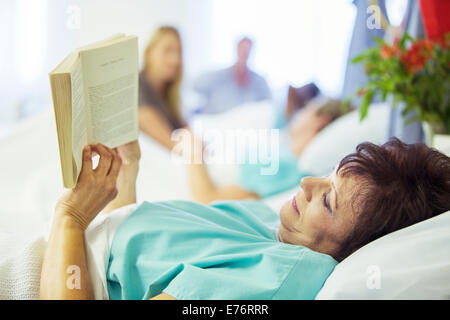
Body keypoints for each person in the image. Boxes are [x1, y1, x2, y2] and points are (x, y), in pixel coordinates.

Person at [40, 137, 450, 300]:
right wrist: (124, 182)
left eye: (328, 202)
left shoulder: (279, 276)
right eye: (327, 177)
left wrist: (71, 215)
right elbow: (131, 265)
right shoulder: (274, 226)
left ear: (355, 250)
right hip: (66, 254)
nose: (306, 183)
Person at [189, 97, 352, 203]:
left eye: (306, 109)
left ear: (319, 121)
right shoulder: (282, 149)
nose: (298, 114)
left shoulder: (282, 166)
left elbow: (207, 199)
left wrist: (193, 151)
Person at [193, 37, 272, 114]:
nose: (244, 54)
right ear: (237, 50)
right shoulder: (218, 76)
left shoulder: (260, 82)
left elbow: (269, 106)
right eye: (242, 50)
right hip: (216, 123)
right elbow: (195, 85)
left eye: (247, 51)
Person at [138, 26, 186, 150]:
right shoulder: (137, 86)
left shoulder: (169, 94)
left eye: (179, 52)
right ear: (149, 53)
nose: (175, 60)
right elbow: (175, 146)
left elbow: (185, 131)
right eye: (168, 50)